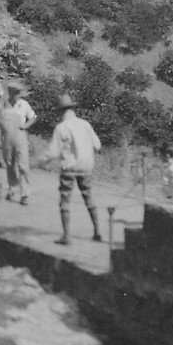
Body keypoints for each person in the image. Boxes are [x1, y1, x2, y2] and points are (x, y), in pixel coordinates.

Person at [37, 94, 102, 245]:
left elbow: (53, 152)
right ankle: (97, 231)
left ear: (60, 111)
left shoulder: (61, 128)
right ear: (72, 109)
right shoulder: (85, 124)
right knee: (88, 198)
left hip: (70, 167)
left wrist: (40, 161)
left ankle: (66, 236)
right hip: (86, 166)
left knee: (65, 200)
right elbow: (97, 145)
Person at [2, 82, 37, 205]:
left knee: (23, 165)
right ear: (10, 92)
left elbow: (33, 117)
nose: (16, 95)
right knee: (10, 164)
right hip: (7, 137)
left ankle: (25, 194)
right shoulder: (4, 105)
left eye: (18, 93)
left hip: (20, 136)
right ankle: (12, 189)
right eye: (13, 92)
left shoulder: (24, 105)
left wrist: (26, 125)